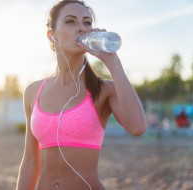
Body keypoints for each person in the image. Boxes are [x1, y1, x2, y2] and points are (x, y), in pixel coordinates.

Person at [16, 1, 146, 189]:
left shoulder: (103, 90)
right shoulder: (33, 91)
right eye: (71, 21)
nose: (82, 28)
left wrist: (112, 60)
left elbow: (137, 127)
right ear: (52, 36)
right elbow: (29, 160)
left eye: (87, 22)